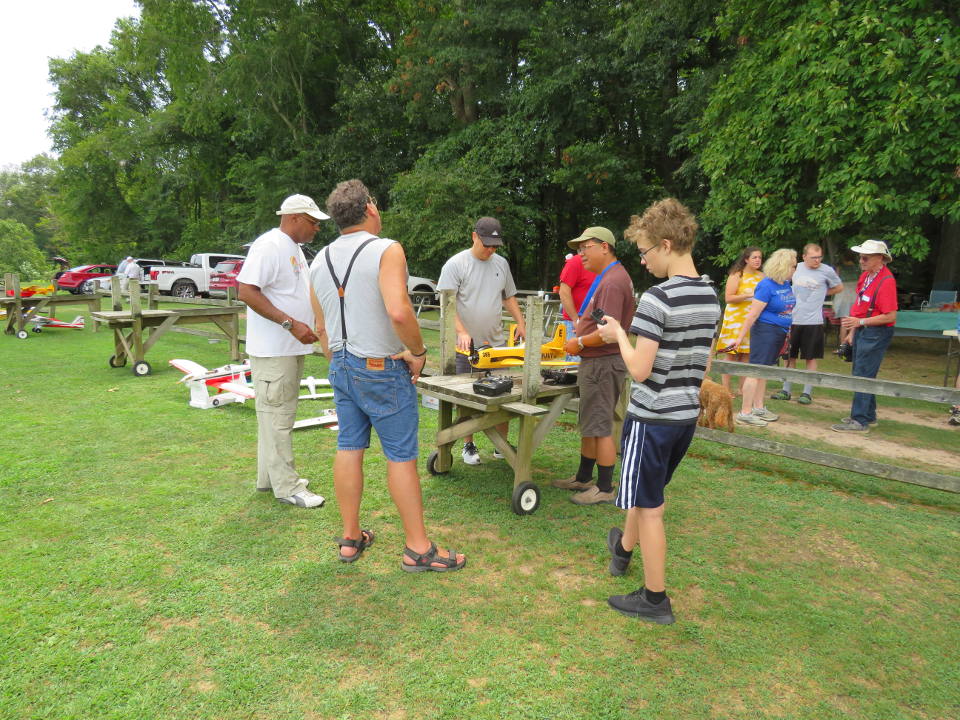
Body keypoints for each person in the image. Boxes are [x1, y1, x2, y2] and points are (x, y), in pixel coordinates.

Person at [310, 179, 466, 571]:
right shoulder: (386, 249)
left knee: (349, 447)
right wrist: (417, 352)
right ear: (371, 208)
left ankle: (350, 537)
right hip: (380, 366)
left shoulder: (319, 259)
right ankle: (418, 548)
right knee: (400, 456)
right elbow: (399, 311)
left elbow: (321, 327)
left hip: (341, 364)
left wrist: (341, 361)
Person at [596, 198, 720, 625]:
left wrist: (617, 333)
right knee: (646, 493)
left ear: (666, 245)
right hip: (683, 418)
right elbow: (702, 363)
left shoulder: (657, 298)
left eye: (646, 251)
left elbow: (640, 369)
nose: (643, 261)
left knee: (650, 507)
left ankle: (654, 599)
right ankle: (622, 551)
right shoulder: (710, 294)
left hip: (652, 419)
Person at [236, 194, 325, 508]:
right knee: (279, 419)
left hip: (286, 349)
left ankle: (268, 478)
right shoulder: (270, 245)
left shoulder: (293, 248)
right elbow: (246, 290)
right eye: (313, 222)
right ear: (295, 218)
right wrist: (290, 323)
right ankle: (288, 487)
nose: (316, 228)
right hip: (275, 350)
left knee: (271, 417)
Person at [552, 227, 635, 505]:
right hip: (597, 362)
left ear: (604, 247)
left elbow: (608, 332)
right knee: (591, 422)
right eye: (579, 249)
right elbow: (602, 321)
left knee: (600, 426)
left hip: (602, 361)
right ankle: (583, 477)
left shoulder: (612, 282)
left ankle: (604, 487)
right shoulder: (610, 277)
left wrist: (581, 344)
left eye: (585, 247)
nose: (581, 254)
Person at [436, 217, 526, 465]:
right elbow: (447, 304)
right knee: (467, 400)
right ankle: (469, 445)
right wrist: (462, 332)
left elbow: (509, 297)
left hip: (497, 346)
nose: (490, 250)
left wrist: (521, 321)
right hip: (467, 348)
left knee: (505, 396)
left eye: (495, 245)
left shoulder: (501, 264)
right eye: (486, 244)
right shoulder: (456, 264)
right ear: (474, 236)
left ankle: (502, 445)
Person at [831, 239, 898, 433]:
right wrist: (853, 331)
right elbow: (860, 308)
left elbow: (890, 316)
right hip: (864, 330)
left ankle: (859, 420)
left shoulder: (886, 282)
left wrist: (859, 324)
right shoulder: (867, 276)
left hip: (876, 332)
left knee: (863, 374)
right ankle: (868, 415)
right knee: (863, 372)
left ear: (880, 258)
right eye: (861, 256)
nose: (861, 260)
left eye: (866, 257)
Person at [727, 248, 797, 427]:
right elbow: (752, 315)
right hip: (765, 332)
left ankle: (758, 407)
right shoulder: (766, 285)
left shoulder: (785, 284)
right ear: (783, 266)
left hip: (779, 333)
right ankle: (745, 411)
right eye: (793, 267)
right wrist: (739, 338)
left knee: (763, 372)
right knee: (754, 372)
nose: (794, 270)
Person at [770, 244, 842, 404]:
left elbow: (839, 287)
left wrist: (822, 293)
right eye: (813, 257)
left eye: (819, 257)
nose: (817, 260)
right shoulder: (796, 268)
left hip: (813, 321)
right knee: (790, 357)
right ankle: (786, 390)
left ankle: (806, 393)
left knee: (810, 357)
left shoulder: (827, 271)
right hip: (793, 319)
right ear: (804, 257)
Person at [715, 247, 764, 395]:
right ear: (746, 259)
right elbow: (728, 298)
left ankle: (743, 389)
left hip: (752, 320)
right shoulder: (737, 275)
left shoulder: (762, 276)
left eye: (760, 258)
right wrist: (748, 295)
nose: (758, 260)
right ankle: (726, 388)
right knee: (731, 353)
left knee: (747, 354)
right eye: (754, 257)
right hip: (735, 319)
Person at [557, 250, 597, 361]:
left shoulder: (603, 265)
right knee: (575, 365)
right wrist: (576, 320)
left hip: (595, 323)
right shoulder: (575, 262)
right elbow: (564, 292)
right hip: (575, 324)